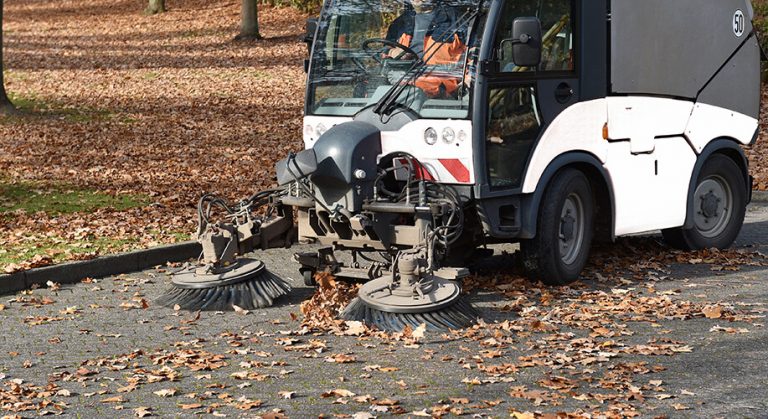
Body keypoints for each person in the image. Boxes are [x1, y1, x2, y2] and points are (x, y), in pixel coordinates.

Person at [384, 0, 468, 98]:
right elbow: (383, 53)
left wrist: (465, 86)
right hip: (401, 85)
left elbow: (475, 59)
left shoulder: (457, 20)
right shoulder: (400, 24)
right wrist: (392, 51)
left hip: (444, 92)